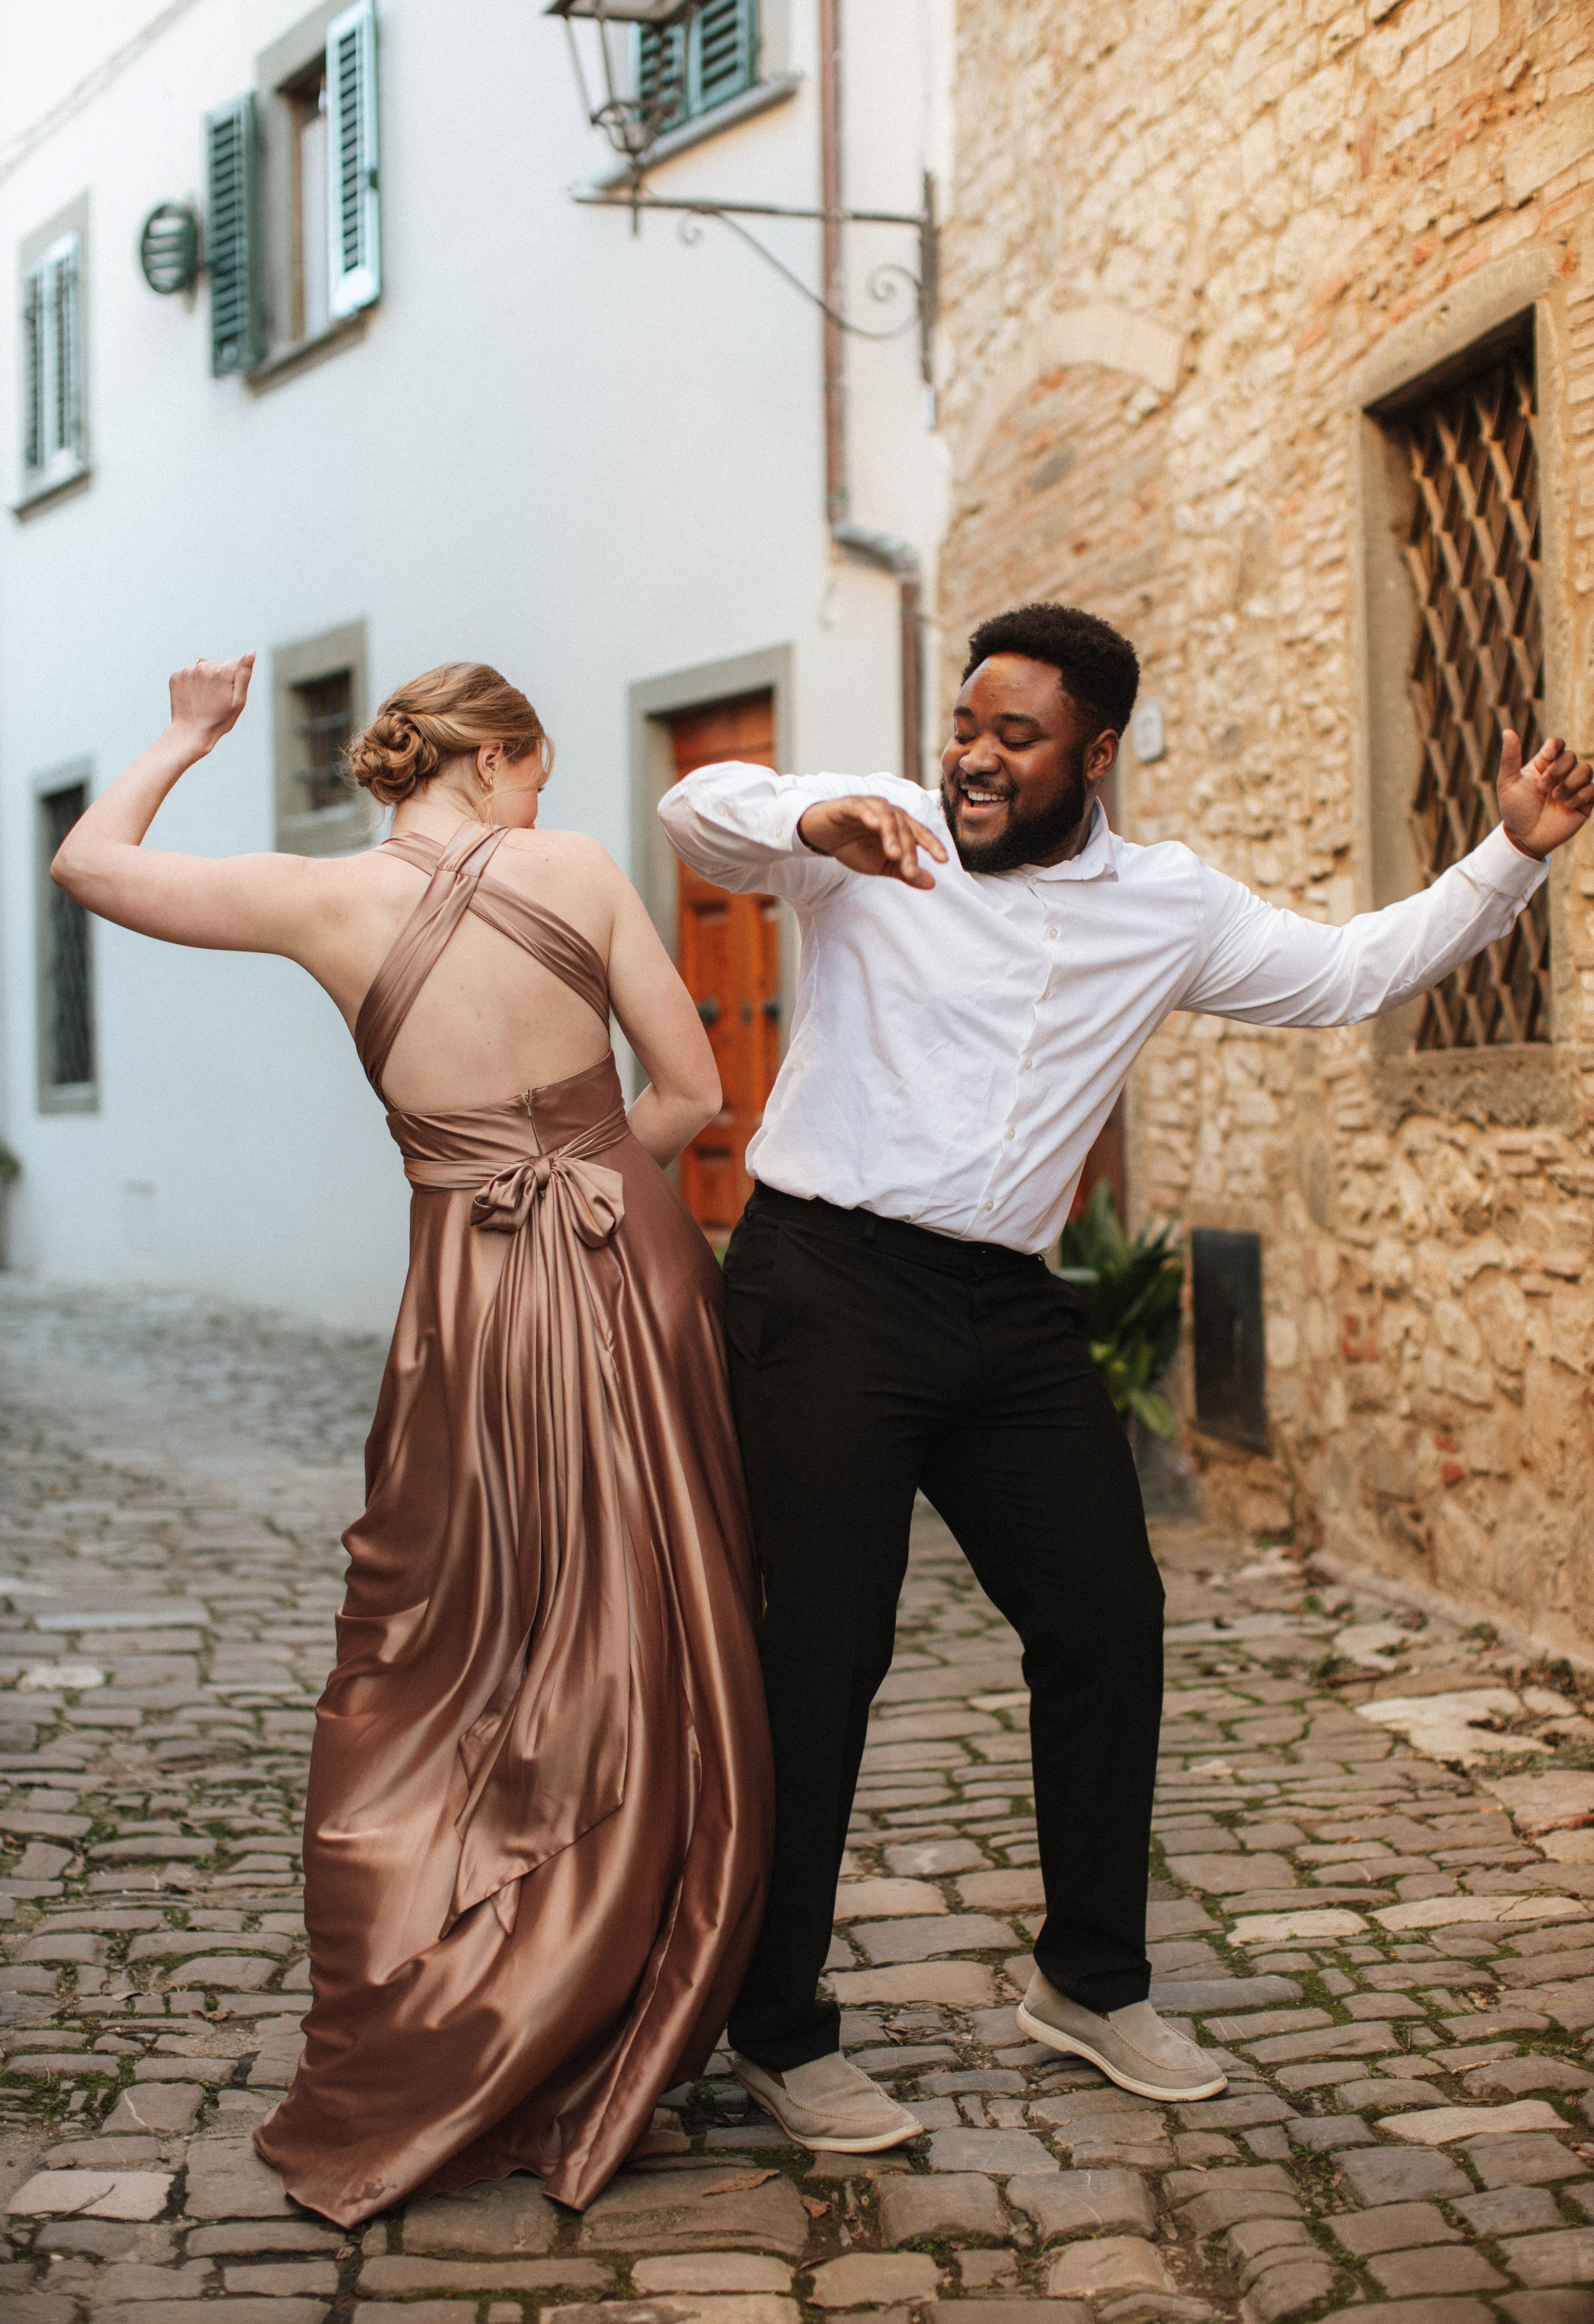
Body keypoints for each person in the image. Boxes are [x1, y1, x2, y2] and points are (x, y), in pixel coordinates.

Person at [660, 600, 1593, 2153]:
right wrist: (803, 819)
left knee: (1105, 1618)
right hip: (825, 1285)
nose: (972, 757)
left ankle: (1089, 1981)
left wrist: (1508, 853)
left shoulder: (1164, 905)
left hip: (1006, 1308)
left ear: (1092, 755)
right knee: (820, 1653)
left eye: (1012, 737)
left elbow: (1348, 971)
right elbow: (702, 813)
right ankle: (775, 2026)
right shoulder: (872, 831)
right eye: (965, 725)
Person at [53, 655, 773, 2222]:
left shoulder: (321, 901)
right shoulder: (576, 871)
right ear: (494, 761)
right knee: (652, 1614)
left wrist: (189, 733)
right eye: (534, 776)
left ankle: (461, 1997)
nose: (538, 805)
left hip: (472, 1299)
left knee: (448, 1636)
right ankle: (622, 1993)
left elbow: (90, 866)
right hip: (630, 1266)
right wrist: (588, 1184)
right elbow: (693, 1091)